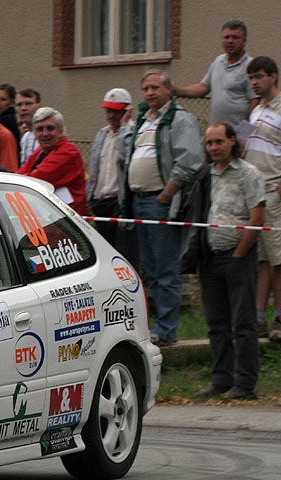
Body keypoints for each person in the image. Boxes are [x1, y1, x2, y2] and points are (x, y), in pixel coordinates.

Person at [123, 68, 204, 347]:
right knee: (150, 268)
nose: (150, 93)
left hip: (160, 203)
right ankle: (155, 327)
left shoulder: (180, 119)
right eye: (146, 88)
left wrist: (167, 194)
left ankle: (167, 330)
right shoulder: (143, 120)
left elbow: (190, 161)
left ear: (169, 90)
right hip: (139, 201)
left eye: (155, 87)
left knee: (166, 269)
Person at [197, 121, 265, 400]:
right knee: (217, 323)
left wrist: (239, 255)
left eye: (219, 142)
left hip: (239, 257)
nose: (214, 147)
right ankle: (221, 379)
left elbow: (257, 217)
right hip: (210, 258)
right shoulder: (205, 175)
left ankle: (245, 383)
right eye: (209, 143)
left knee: (243, 323)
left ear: (233, 141)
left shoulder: (248, 174)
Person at [244, 56, 281, 342]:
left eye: (259, 76)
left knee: (278, 260)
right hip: (254, 193)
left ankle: (279, 317)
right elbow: (244, 143)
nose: (254, 82)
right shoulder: (255, 110)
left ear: (273, 77)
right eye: (251, 78)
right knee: (262, 261)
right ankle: (258, 317)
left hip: (274, 189)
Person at [87, 88, 138, 264]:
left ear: (126, 110)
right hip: (100, 200)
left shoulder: (132, 132)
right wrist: (90, 196)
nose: (110, 115)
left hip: (118, 200)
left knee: (123, 252)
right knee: (105, 254)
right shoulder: (102, 134)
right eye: (108, 110)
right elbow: (94, 166)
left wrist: (124, 128)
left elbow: (125, 157)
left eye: (115, 111)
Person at [173, 19, 257, 127]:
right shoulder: (218, 61)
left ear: (244, 41)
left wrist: (245, 131)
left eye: (235, 37)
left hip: (237, 132)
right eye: (226, 37)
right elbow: (203, 87)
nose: (230, 41)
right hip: (217, 131)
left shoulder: (251, 66)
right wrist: (177, 90)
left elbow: (255, 102)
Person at [17, 107, 88, 215]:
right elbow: (18, 176)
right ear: (34, 133)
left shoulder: (68, 152)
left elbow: (34, 180)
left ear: (61, 131)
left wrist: (21, 178)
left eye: (50, 128)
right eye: (40, 129)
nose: (45, 134)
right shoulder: (41, 150)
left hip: (66, 218)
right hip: (48, 214)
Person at [15, 88, 41, 163]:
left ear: (39, 106)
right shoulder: (25, 138)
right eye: (19, 105)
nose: (23, 108)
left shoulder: (48, 135)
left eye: (28, 104)